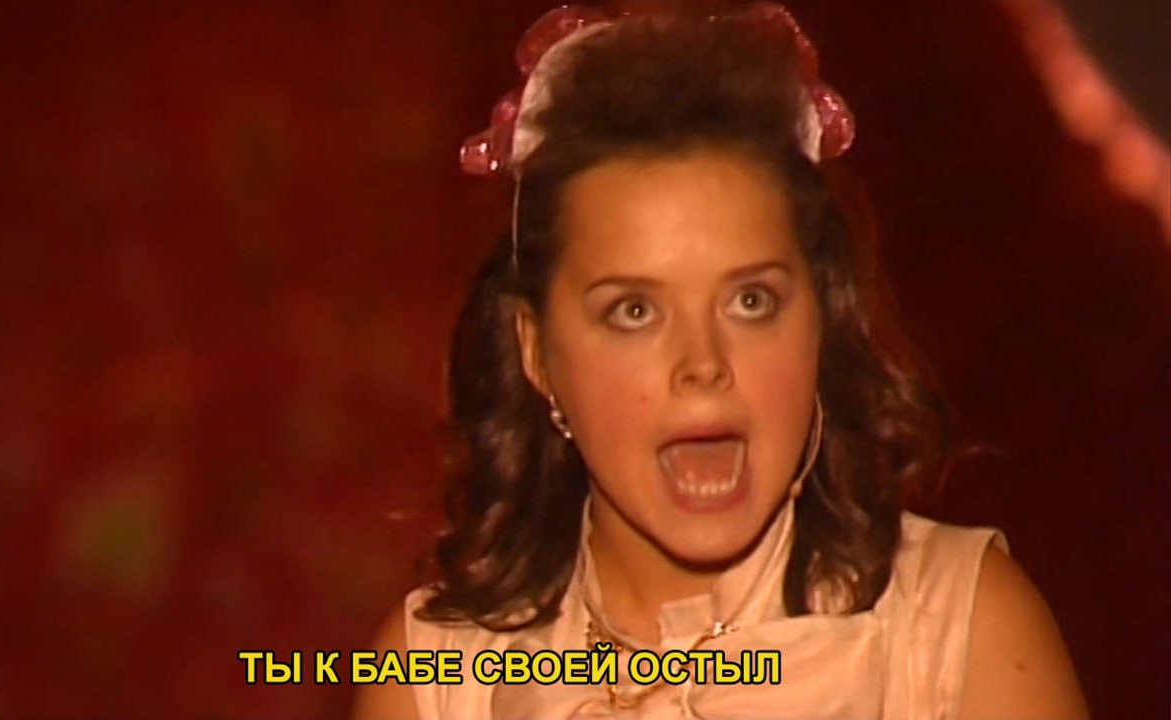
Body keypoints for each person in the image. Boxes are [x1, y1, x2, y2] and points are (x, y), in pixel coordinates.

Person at [353, 4, 1088, 718]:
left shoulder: (963, 636)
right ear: (536, 353)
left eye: (750, 301)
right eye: (634, 311)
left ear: (821, 319)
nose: (702, 363)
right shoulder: (433, 682)